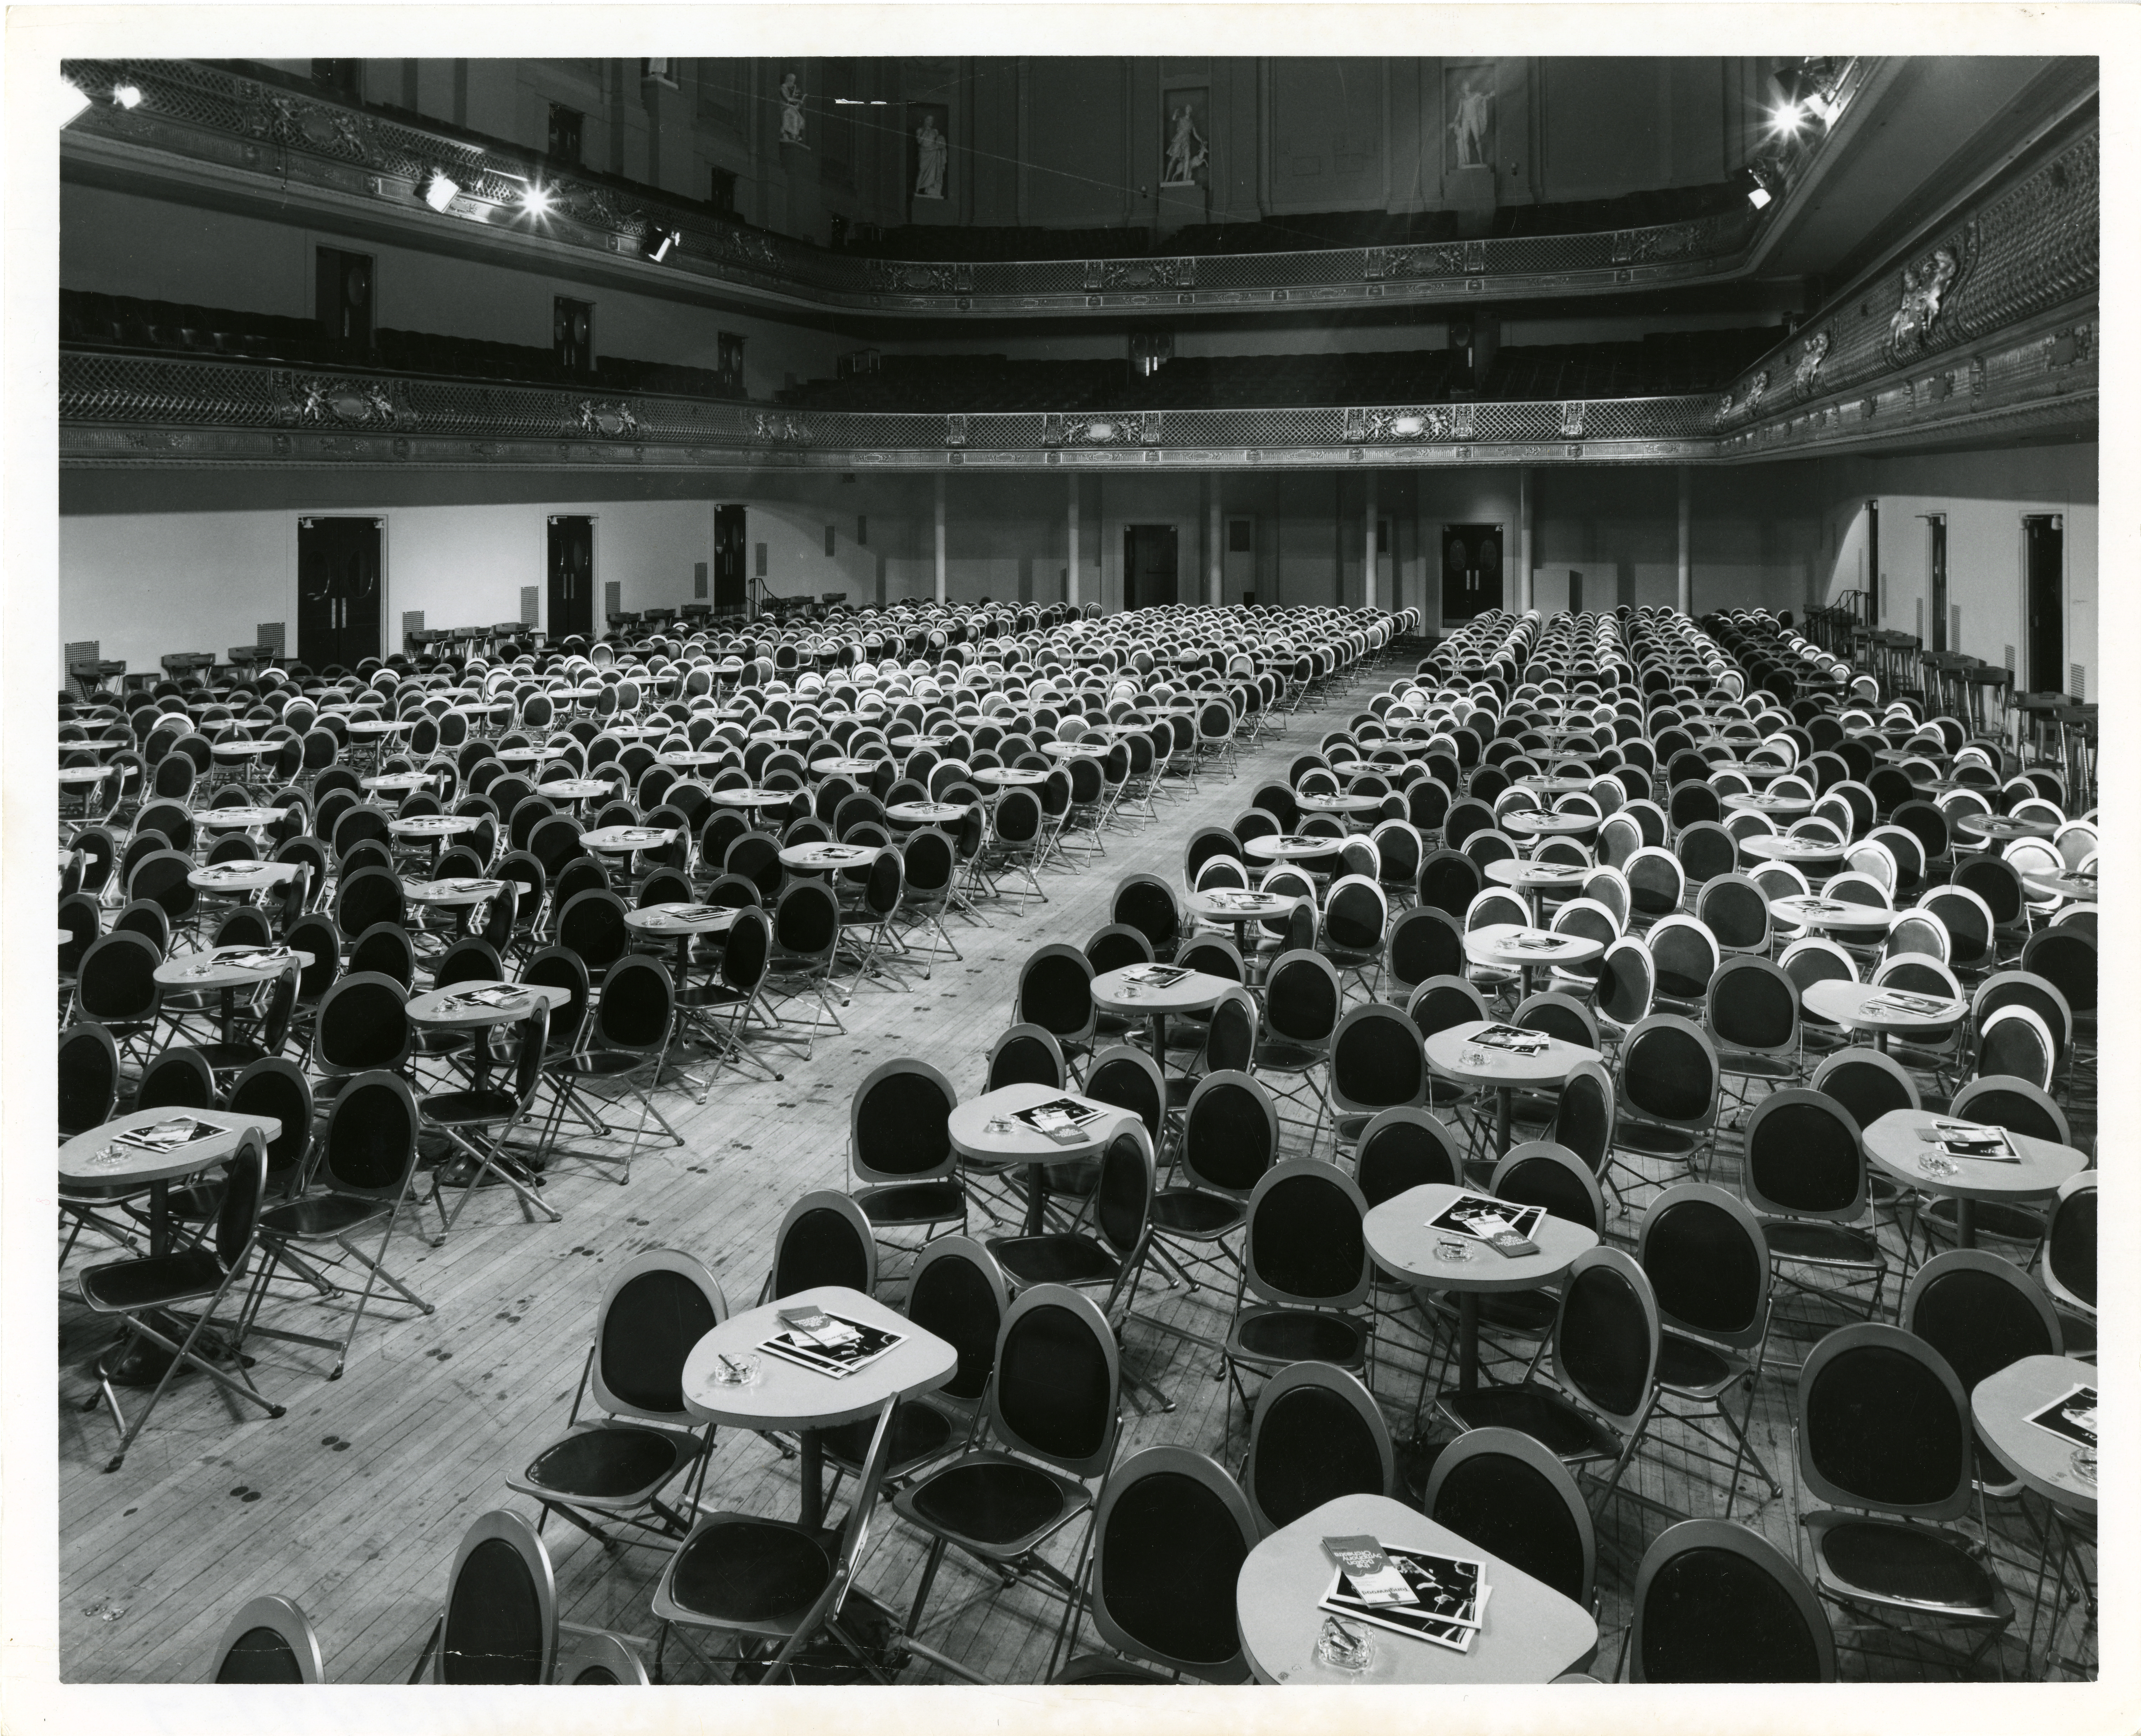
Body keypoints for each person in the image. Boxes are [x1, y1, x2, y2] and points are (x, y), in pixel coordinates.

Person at [1163, 104, 1205, 186]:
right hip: (1179, 139)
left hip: (1187, 141)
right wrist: (1175, 113)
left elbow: (1195, 134)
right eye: (1187, 109)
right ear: (1186, 111)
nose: (1188, 110)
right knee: (1174, 159)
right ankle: (1166, 179)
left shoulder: (1191, 122)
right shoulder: (1181, 119)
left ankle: (1185, 178)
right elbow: (1174, 119)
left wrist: (1201, 141)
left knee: (1187, 158)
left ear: (1191, 111)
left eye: (1189, 109)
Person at [915, 114, 947, 200]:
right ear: (925, 121)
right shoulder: (920, 130)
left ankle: (927, 190)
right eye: (929, 120)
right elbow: (919, 141)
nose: (931, 122)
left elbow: (939, 142)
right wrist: (925, 132)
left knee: (932, 173)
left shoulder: (935, 131)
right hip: (924, 153)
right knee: (922, 170)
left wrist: (941, 145)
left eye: (932, 121)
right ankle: (917, 189)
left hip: (933, 153)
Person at [779, 72, 806, 146]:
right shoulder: (783, 87)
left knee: (796, 116)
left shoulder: (788, 88)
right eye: (792, 80)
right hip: (783, 106)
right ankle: (790, 133)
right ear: (789, 80)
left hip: (788, 106)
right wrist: (798, 100)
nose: (793, 83)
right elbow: (787, 99)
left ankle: (793, 134)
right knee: (792, 113)